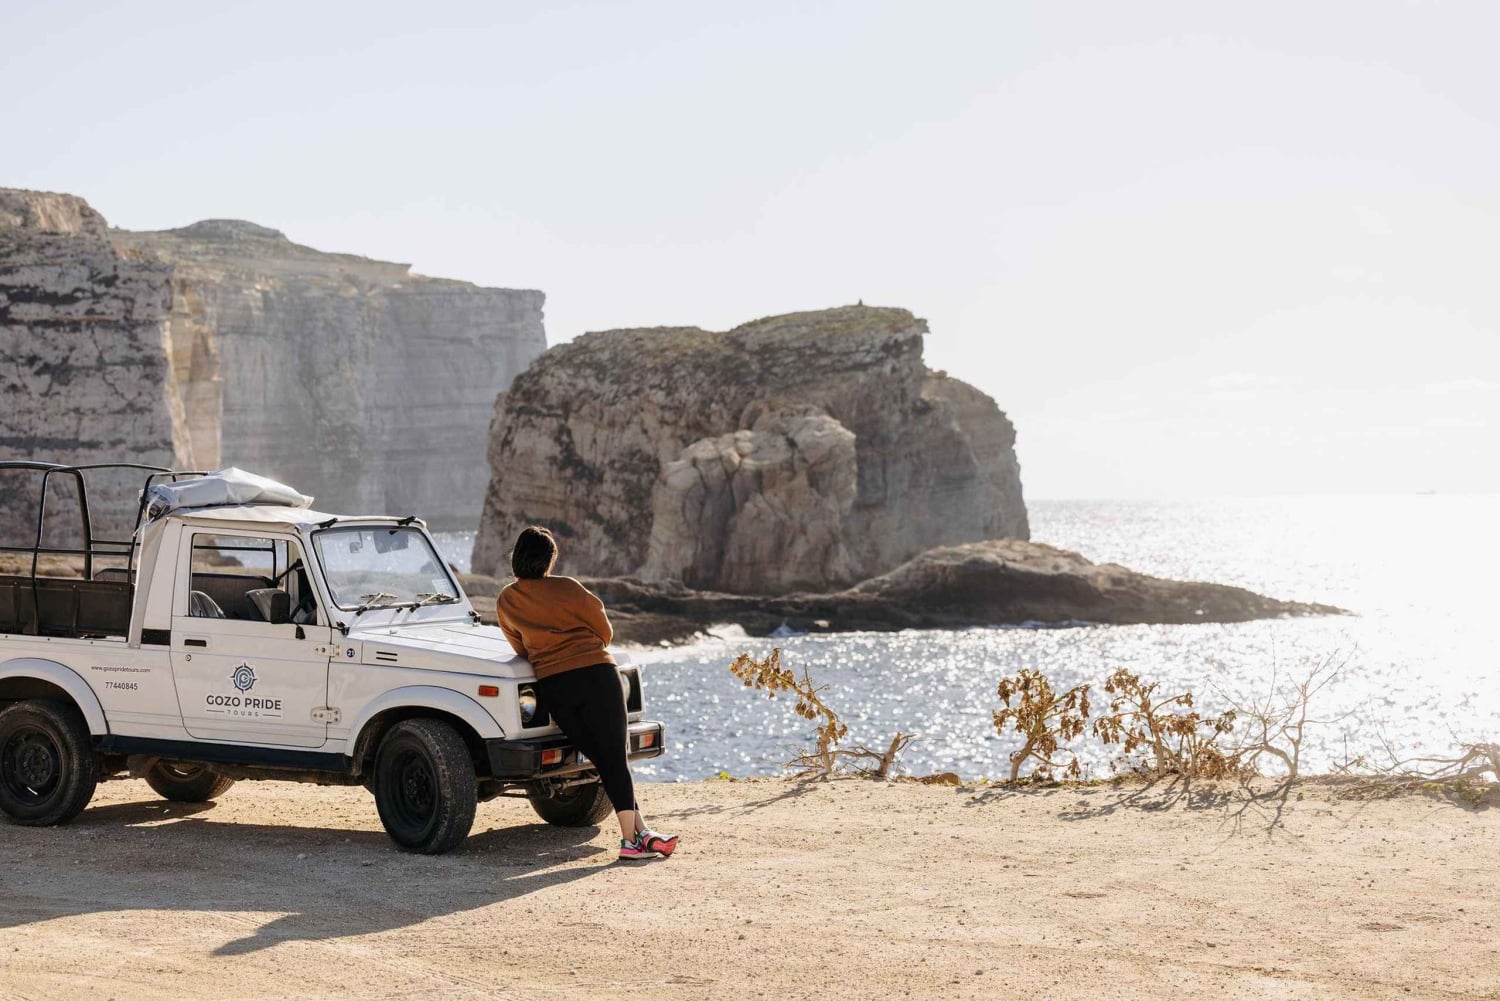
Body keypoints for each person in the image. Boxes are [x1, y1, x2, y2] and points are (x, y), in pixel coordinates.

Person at [494, 525, 679, 860]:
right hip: (596, 675)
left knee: (604, 760)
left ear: (517, 557)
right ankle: (629, 843)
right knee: (615, 758)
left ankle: (644, 833)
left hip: (555, 686)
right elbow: (604, 631)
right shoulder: (568, 588)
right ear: (548, 560)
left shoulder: (507, 599)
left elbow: (519, 647)